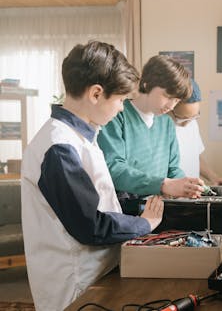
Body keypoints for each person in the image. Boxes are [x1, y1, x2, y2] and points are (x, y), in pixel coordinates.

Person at [21, 41, 164, 311]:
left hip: (95, 273)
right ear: (96, 94)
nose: (122, 108)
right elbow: (90, 225)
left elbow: (97, 199)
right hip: (76, 285)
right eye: (121, 100)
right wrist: (144, 224)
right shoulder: (58, 147)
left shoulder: (83, 136)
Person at [97, 55, 205, 200]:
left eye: (176, 100)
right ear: (147, 84)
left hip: (157, 207)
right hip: (124, 208)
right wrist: (163, 185)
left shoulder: (166, 123)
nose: (171, 106)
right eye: (167, 96)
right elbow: (115, 169)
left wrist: (187, 187)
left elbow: (173, 170)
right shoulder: (117, 116)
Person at [169, 79, 222, 186]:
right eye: (181, 118)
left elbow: (194, 155)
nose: (186, 124)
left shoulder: (192, 123)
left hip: (192, 194)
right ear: (169, 107)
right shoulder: (159, 128)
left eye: (193, 117)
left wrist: (214, 177)